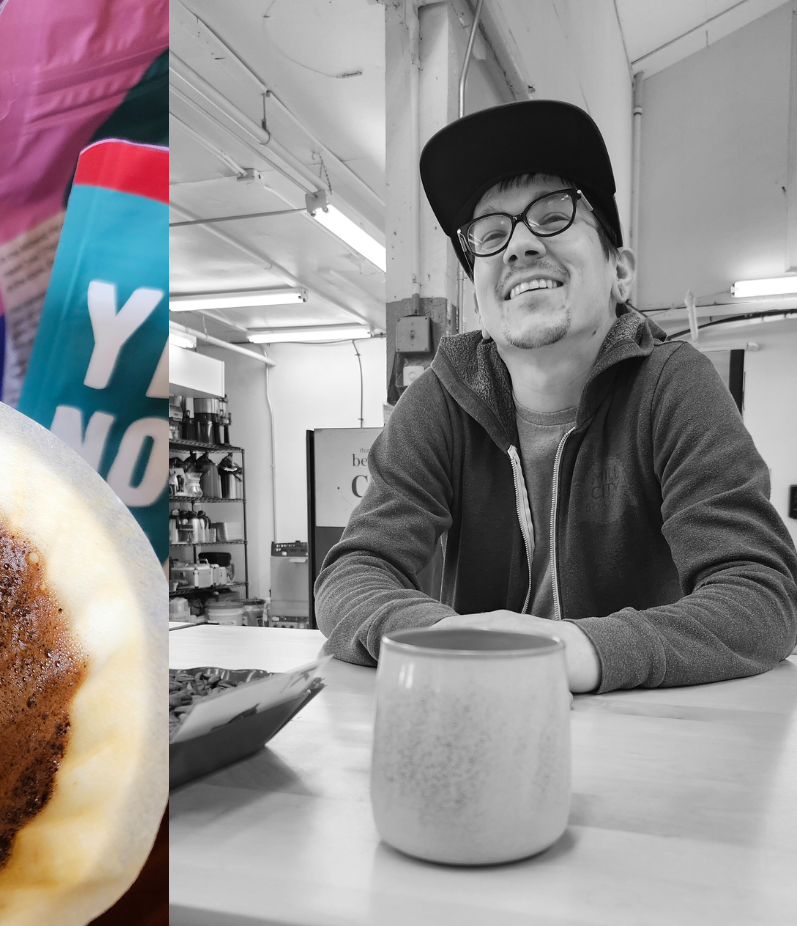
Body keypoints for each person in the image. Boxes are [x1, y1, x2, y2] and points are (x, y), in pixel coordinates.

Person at [314, 100, 797, 693]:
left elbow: (760, 594)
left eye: (553, 216)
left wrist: (584, 650)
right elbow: (352, 574)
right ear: (481, 299)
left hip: (641, 731)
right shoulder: (440, 401)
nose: (517, 247)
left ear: (620, 272)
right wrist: (449, 641)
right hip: (480, 716)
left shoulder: (673, 388)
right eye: (491, 235)